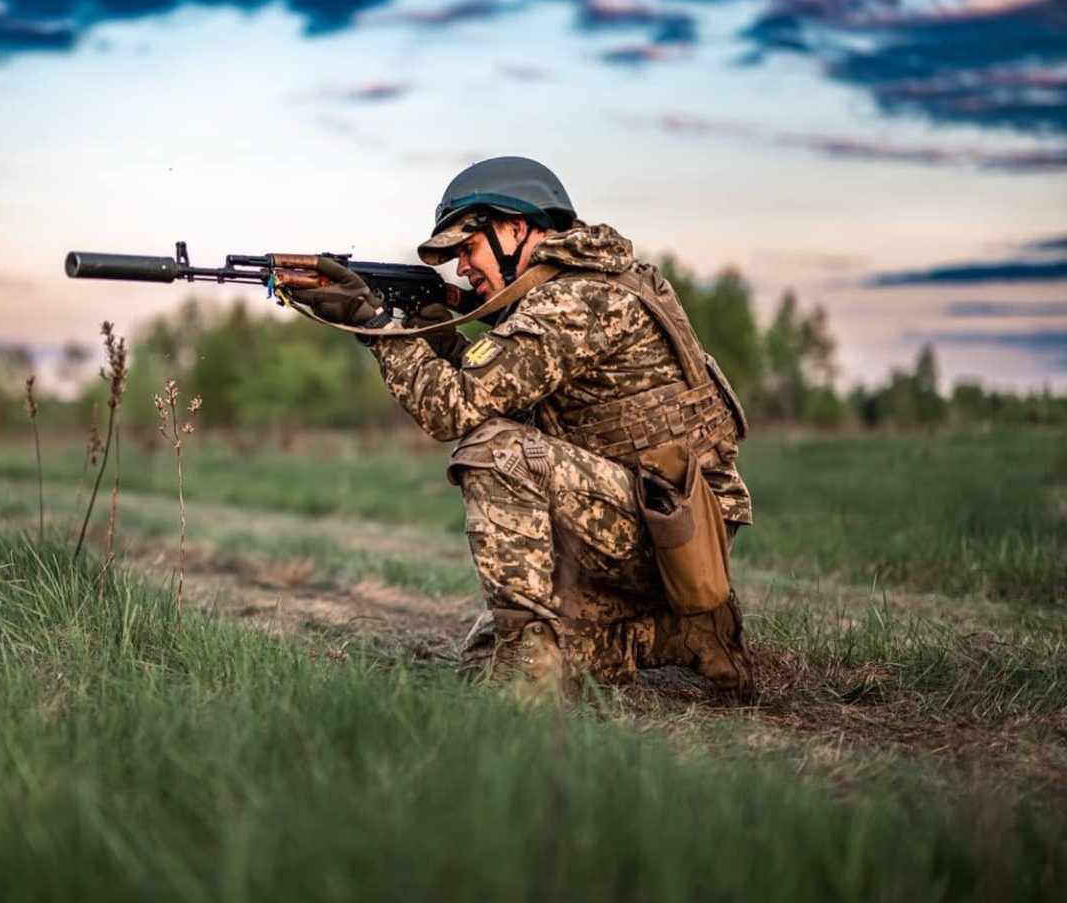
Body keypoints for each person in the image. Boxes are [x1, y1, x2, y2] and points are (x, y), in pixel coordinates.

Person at [287, 157, 756, 698]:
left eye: (468, 247)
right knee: (483, 657)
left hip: (677, 533)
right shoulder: (577, 286)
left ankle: (529, 681)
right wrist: (431, 334)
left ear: (516, 228)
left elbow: (456, 409)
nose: (461, 268)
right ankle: (684, 634)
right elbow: (499, 392)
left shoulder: (576, 301)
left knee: (495, 453)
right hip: (653, 518)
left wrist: (373, 325)